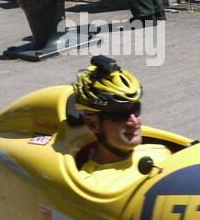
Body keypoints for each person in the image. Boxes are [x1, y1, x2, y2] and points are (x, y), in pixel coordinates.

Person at [69, 56, 171, 187]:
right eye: (120, 115)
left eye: (136, 109)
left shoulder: (161, 152)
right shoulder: (91, 184)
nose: (134, 121)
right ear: (93, 124)